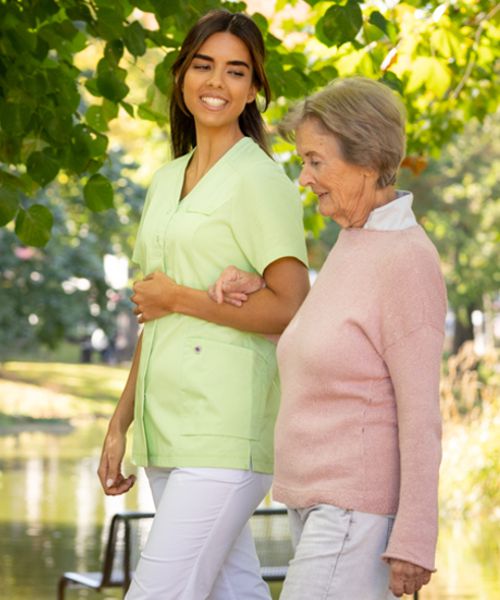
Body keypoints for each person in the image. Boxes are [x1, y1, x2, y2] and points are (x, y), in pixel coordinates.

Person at [96, 9, 309, 600]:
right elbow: (151, 317)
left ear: (254, 89)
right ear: (181, 75)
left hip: (225, 428)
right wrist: (120, 424)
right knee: (230, 591)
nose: (216, 83)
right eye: (204, 65)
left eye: (236, 72)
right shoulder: (166, 180)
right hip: (167, 428)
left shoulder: (262, 180)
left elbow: (292, 307)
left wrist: (180, 296)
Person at [209, 76, 447, 599]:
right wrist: (254, 293)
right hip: (316, 503)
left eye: (316, 161)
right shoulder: (354, 242)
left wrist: (414, 538)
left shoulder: (405, 260)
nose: (305, 177)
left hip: (354, 510)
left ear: (366, 157)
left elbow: (422, 415)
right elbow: (320, 351)